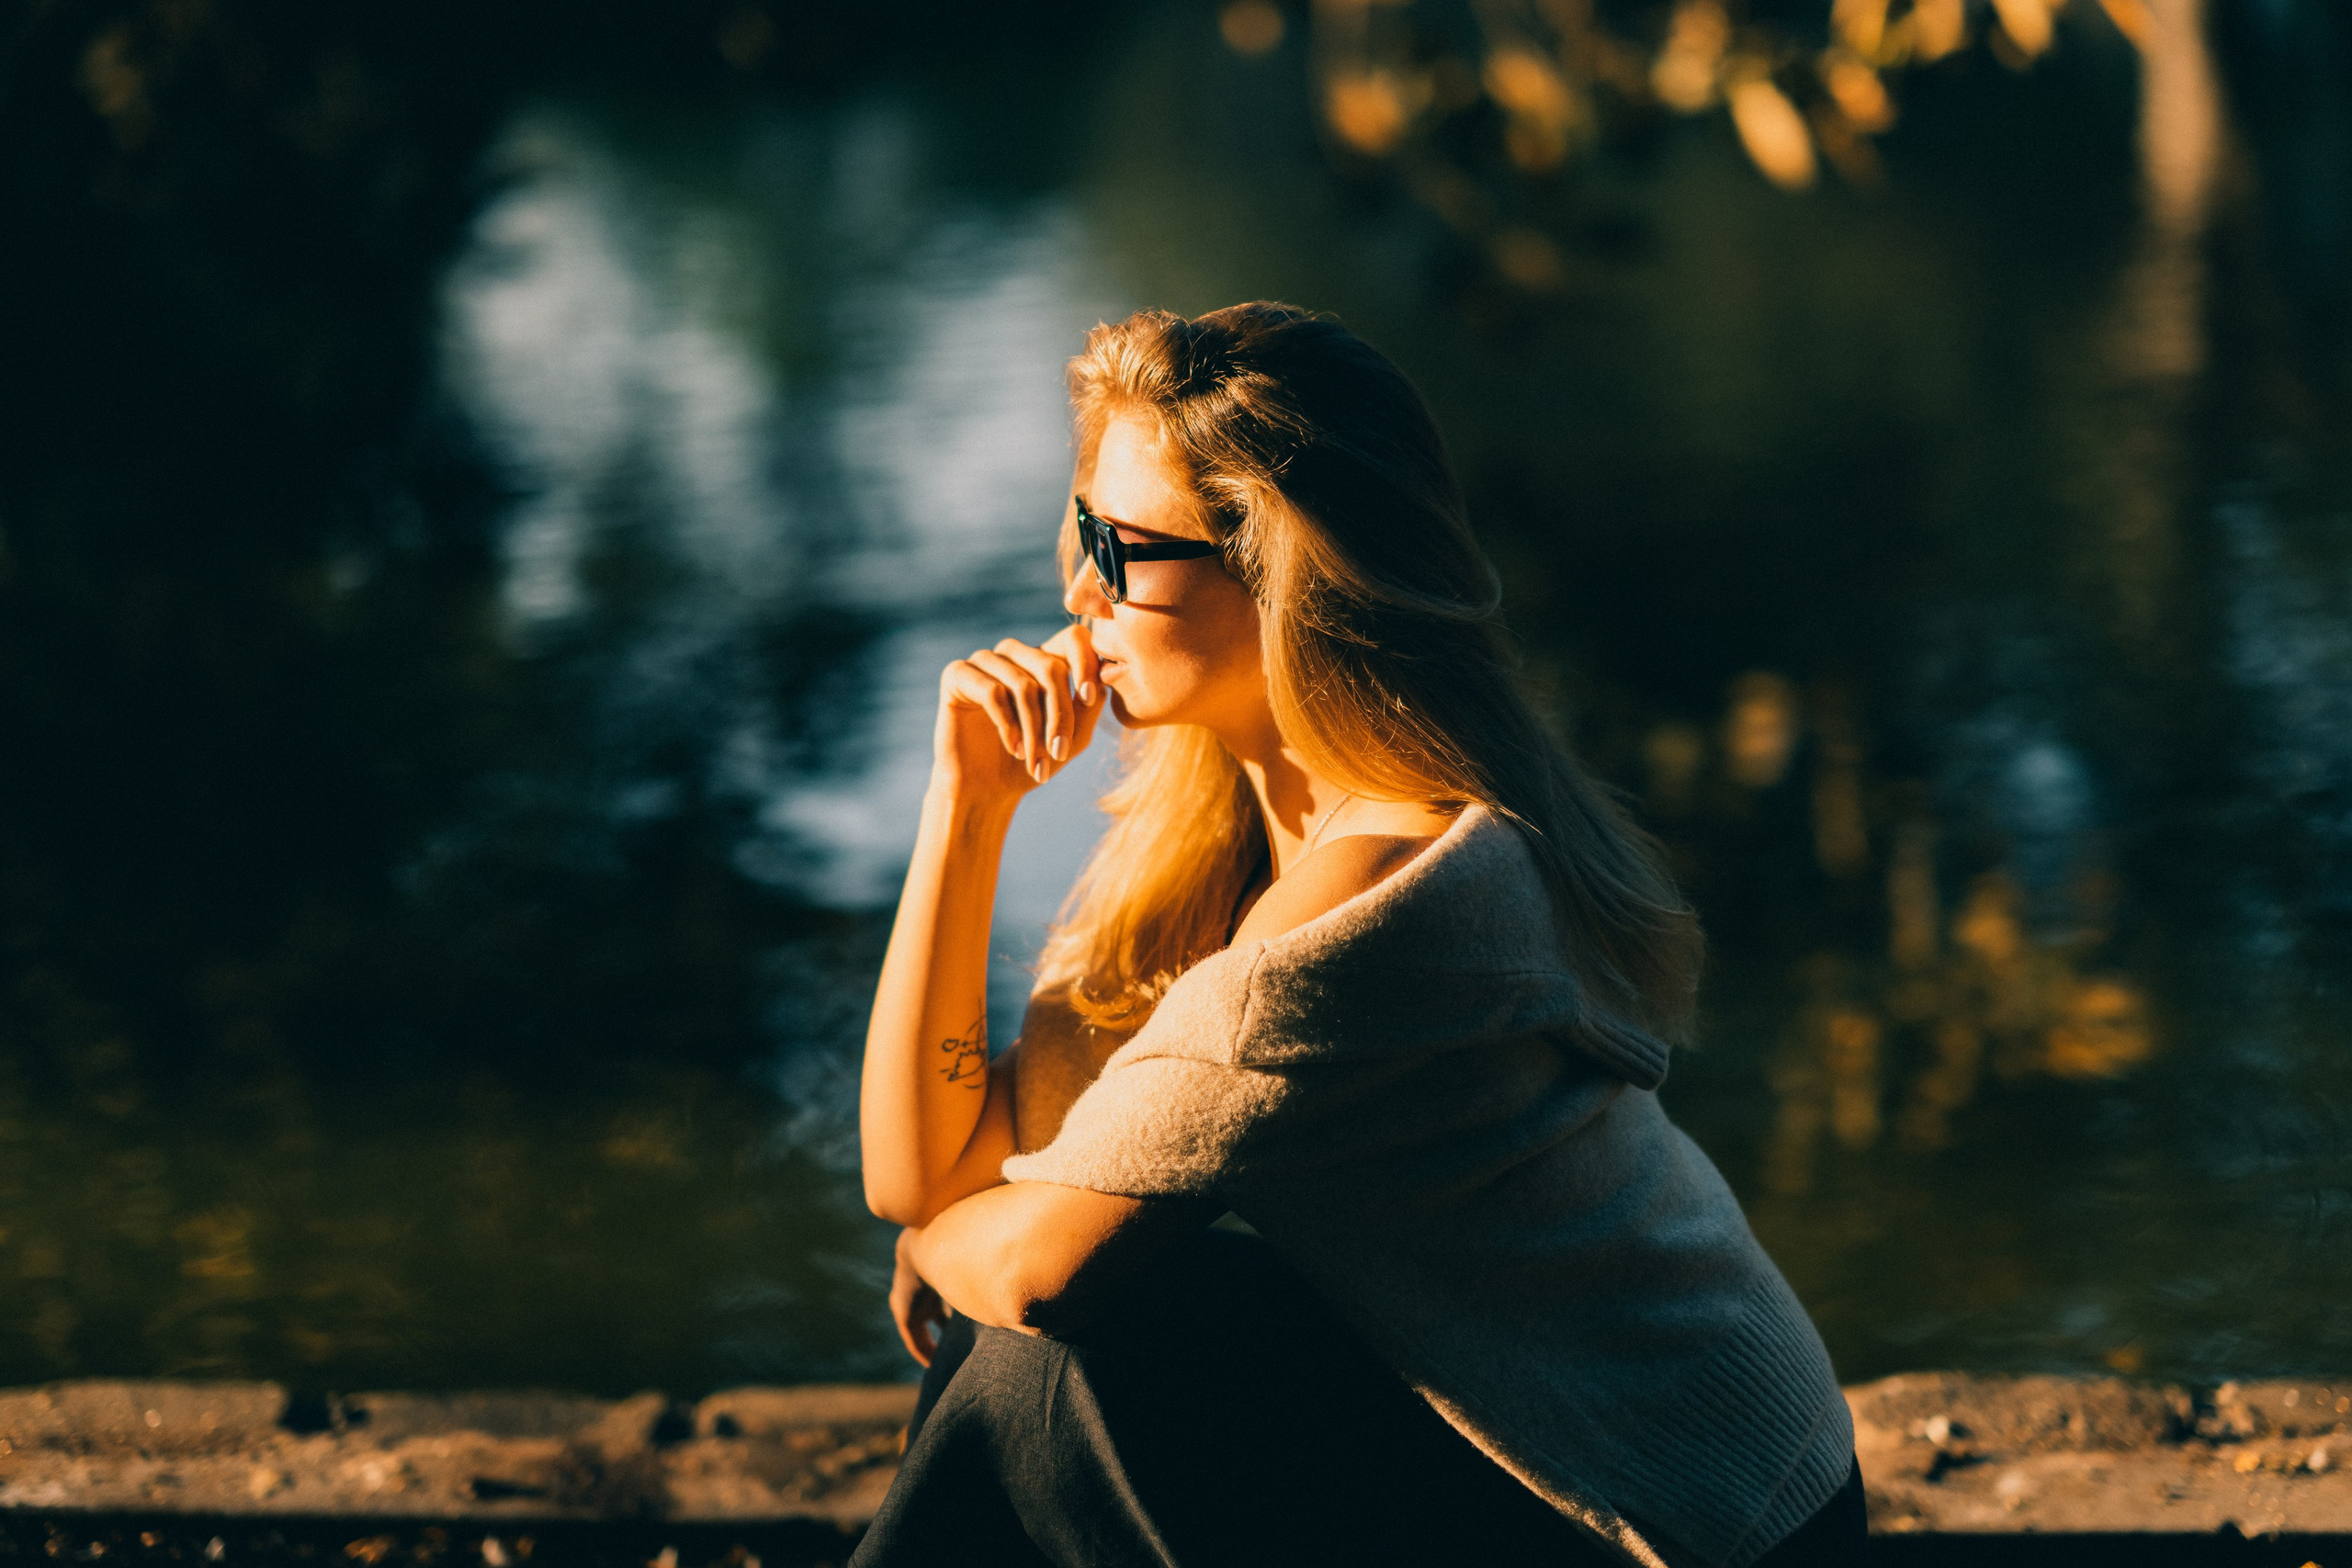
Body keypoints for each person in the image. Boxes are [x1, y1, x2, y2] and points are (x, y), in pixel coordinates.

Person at [851, 302, 1863, 1568]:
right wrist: (967, 812)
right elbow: (928, 1174)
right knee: (1065, 1338)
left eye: (1121, 547)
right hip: (1527, 1450)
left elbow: (1033, 1266)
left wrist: (939, 1252)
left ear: (1283, 572)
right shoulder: (1211, 821)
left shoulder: (1389, 900)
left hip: (1697, 1523)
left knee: (1036, 1376)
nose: (1075, 588)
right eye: (1078, 528)